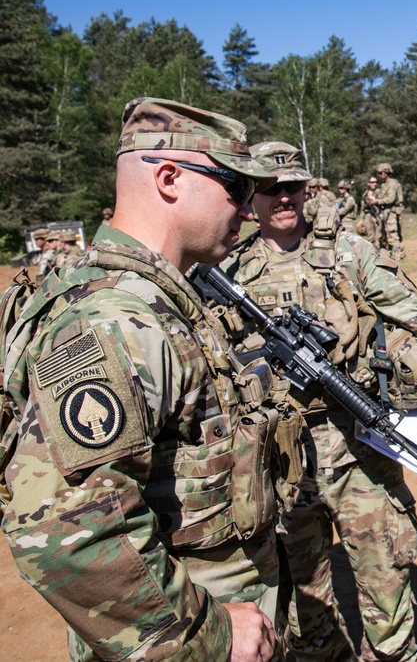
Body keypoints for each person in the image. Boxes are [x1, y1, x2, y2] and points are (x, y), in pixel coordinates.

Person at [1, 97, 282, 661]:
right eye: (238, 188)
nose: (252, 212)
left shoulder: (160, 299)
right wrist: (210, 636)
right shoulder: (115, 320)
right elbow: (67, 538)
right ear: (171, 178)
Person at [225, 141, 417, 662]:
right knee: (304, 604)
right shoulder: (229, 268)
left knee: (388, 584)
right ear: (252, 197)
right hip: (278, 461)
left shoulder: (348, 252)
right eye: (270, 190)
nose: (284, 198)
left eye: (293, 186)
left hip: (358, 446)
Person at [370, 163, 405, 260]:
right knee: (383, 236)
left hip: (392, 213)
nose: (379, 175)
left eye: (381, 173)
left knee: (393, 236)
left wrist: (377, 201)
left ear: (386, 173)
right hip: (385, 213)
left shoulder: (392, 183)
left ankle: (396, 258)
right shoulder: (384, 185)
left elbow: (390, 199)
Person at [359, 176, 381, 245]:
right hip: (368, 216)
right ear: (368, 183)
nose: (374, 184)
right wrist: (361, 220)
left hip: (378, 216)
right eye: (372, 182)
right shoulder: (365, 194)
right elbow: (362, 208)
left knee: (380, 236)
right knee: (370, 237)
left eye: (376, 182)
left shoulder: (380, 192)